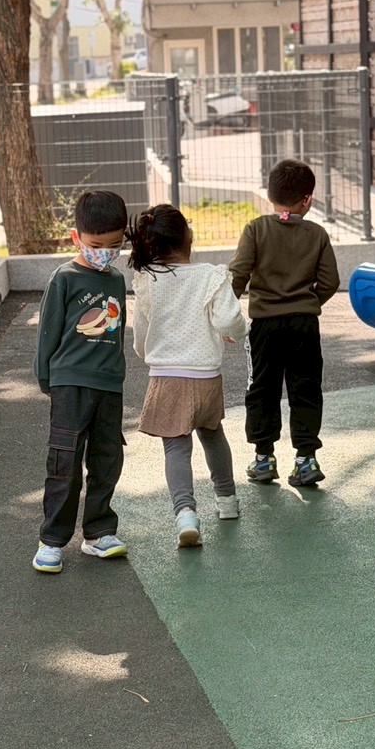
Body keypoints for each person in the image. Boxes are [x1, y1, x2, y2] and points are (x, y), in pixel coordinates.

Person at [129, 204, 247, 546]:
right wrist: (236, 333)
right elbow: (229, 321)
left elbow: (141, 333)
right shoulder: (210, 275)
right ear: (188, 236)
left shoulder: (148, 279)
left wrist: (147, 354)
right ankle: (227, 500)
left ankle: (185, 514)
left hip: (166, 375)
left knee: (175, 448)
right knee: (213, 434)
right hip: (206, 375)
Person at [31, 190, 130, 574]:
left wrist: (117, 375)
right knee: (64, 462)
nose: (105, 253)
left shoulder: (117, 280)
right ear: (77, 238)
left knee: (107, 458)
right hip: (69, 384)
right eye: (96, 245)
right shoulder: (65, 278)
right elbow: (48, 332)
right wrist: (46, 378)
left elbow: (116, 331)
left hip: (108, 385)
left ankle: (99, 532)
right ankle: (52, 540)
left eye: (114, 245)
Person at [228, 158, 339, 487]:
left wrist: (226, 316)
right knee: (306, 387)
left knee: (262, 388)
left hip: (265, 325)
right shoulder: (317, 234)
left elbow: (238, 275)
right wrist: (308, 303)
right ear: (308, 199)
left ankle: (264, 458)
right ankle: (306, 459)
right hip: (304, 325)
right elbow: (330, 281)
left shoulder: (255, 229)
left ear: (269, 194)